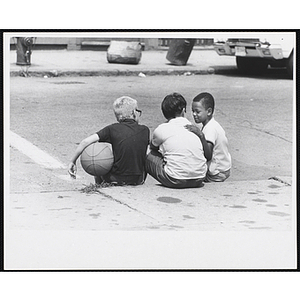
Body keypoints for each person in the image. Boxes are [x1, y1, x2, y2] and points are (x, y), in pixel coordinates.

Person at [68, 96, 150, 185]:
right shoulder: (145, 130)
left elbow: (85, 142)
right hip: (138, 179)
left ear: (117, 116)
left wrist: (73, 161)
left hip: (115, 178)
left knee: (97, 155)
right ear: (134, 112)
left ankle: (99, 184)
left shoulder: (112, 129)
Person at [145, 92, 207, 188]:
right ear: (183, 110)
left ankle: (139, 181)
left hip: (175, 179)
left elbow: (153, 147)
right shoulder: (193, 128)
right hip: (199, 178)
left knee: (146, 151)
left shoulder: (162, 128)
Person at [185, 92, 231, 182]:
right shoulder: (211, 125)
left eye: (197, 111)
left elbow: (208, 155)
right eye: (193, 111)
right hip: (223, 168)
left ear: (209, 111)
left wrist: (200, 136)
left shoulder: (210, 129)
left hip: (217, 172)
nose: (194, 114)